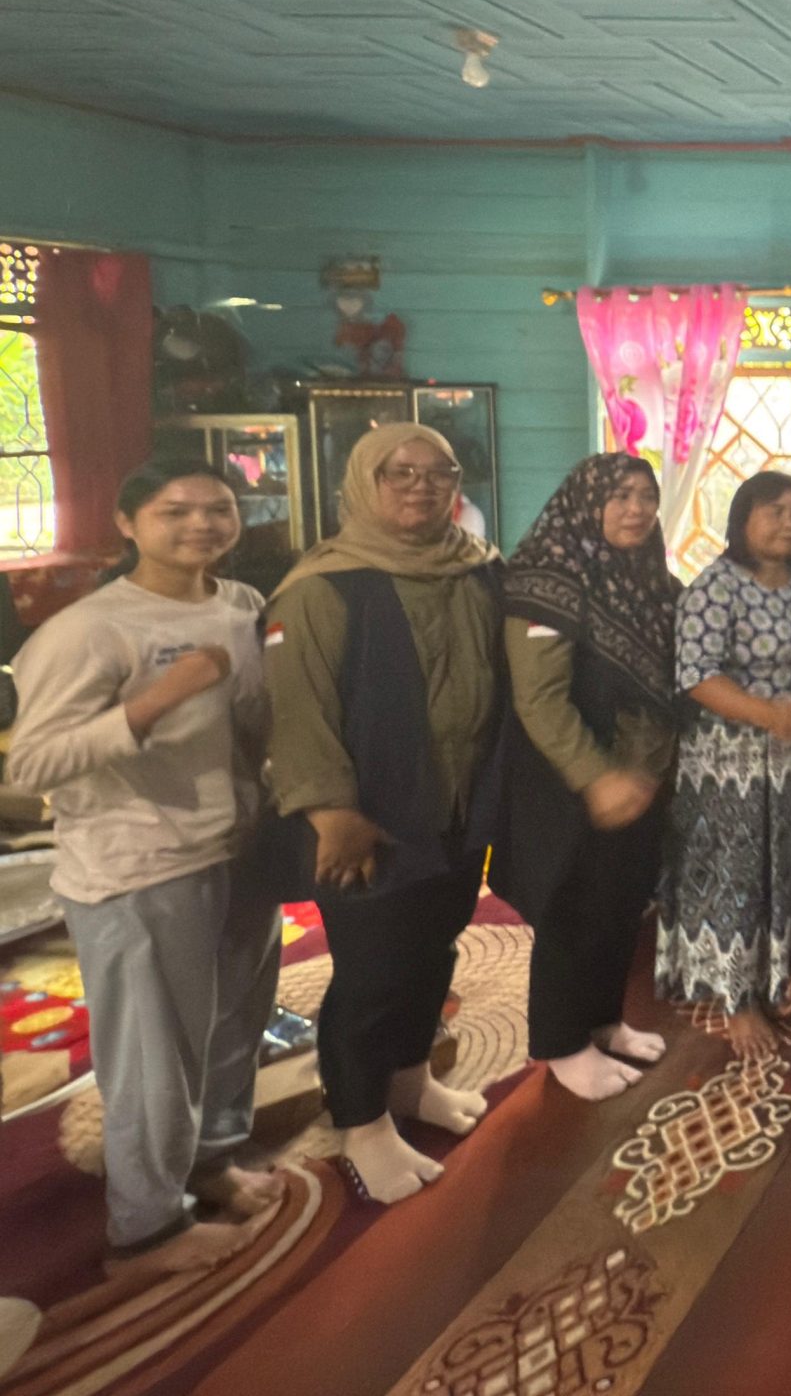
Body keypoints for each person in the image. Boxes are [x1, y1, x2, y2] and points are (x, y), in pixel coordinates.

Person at [8, 461, 284, 1272]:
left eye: (218, 509)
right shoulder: (88, 630)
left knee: (232, 1024)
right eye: (175, 511)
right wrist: (155, 701)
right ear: (128, 524)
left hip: (238, 846)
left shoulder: (240, 604)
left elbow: (253, 719)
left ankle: (211, 1160)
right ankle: (146, 1227)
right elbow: (32, 764)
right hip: (138, 864)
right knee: (154, 1052)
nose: (201, 524)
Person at [264, 423, 505, 1205]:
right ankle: (361, 1122)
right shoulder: (323, 587)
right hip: (366, 817)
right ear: (364, 483)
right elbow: (297, 712)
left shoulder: (477, 569)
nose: (420, 486)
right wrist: (330, 811)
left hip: (455, 806)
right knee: (372, 970)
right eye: (400, 472)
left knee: (434, 948)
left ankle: (409, 1080)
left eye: (439, 473)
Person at [490, 454, 681, 1103]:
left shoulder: (650, 579)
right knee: (571, 909)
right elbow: (539, 699)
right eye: (619, 496)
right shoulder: (549, 580)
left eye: (646, 496)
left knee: (620, 906)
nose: (636, 509)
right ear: (585, 503)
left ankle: (603, 1020)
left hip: (639, 779)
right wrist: (596, 778)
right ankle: (561, 1043)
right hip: (569, 784)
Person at [656, 471, 791, 1060]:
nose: (790, 523)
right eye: (775, 511)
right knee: (735, 875)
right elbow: (696, 676)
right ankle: (736, 1000)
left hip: (788, 758)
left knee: (780, 871)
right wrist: (770, 715)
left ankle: (770, 982)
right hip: (727, 763)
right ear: (742, 519)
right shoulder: (716, 586)